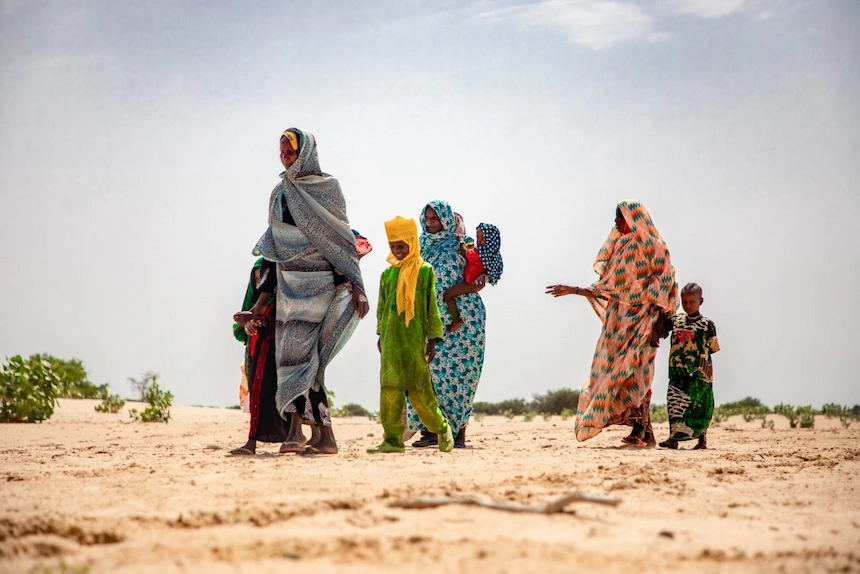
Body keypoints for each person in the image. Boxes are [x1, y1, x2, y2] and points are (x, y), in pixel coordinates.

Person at [252, 127, 369, 456]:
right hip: (289, 289)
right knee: (296, 362)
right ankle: (321, 437)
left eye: (290, 152)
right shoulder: (278, 193)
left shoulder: (327, 188)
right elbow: (276, 244)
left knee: (305, 362)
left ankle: (300, 434)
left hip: (320, 285)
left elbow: (341, 241)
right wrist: (262, 301)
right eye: (282, 153)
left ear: (305, 153)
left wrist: (356, 285)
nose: (285, 157)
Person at [546, 199, 678, 447]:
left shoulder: (657, 249)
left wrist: (661, 320)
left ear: (633, 219)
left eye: (620, 217)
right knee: (614, 373)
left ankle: (639, 428)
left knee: (639, 373)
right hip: (618, 325)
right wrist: (574, 290)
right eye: (617, 218)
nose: (616, 222)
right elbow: (608, 287)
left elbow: (668, 286)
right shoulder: (620, 247)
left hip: (645, 322)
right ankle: (646, 433)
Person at [368, 216, 453, 454]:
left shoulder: (425, 271)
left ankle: (441, 428)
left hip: (414, 341)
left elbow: (431, 307)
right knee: (390, 391)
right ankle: (393, 440)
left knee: (419, 391)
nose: (397, 250)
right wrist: (380, 334)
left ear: (413, 242)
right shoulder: (387, 274)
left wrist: (433, 339)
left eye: (402, 245)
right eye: (393, 246)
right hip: (391, 341)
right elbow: (382, 307)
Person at [407, 201, 486, 449]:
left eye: (435, 218)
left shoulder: (460, 244)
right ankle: (430, 431)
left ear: (446, 220)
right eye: (427, 218)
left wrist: (481, 279)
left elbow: (480, 269)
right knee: (428, 375)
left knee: (461, 377)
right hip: (430, 322)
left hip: (464, 322)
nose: (430, 222)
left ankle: (458, 434)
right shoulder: (419, 248)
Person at [650, 282, 720, 450]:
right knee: (674, 403)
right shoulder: (675, 321)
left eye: (692, 302)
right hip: (676, 370)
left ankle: (702, 440)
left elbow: (714, 348)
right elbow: (661, 330)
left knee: (698, 405)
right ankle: (673, 438)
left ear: (700, 301)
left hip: (699, 373)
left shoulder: (707, 325)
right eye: (685, 302)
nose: (688, 305)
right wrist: (655, 328)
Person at [229, 258, 288, 455]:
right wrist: (248, 323)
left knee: (276, 396)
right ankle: (251, 442)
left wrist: (260, 320)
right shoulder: (254, 304)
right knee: (257, 395)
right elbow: (242, 330)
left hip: (276, 353)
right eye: (256, 278)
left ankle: (286, 439)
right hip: (256, 351)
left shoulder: (282, 301)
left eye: (263, 278)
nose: (259, 282)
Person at [443, 223, 503, 333]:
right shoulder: (493, 256)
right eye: (478, 237)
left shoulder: (479, 253)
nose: (479, 241)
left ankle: (456, 319)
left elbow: (465, 253)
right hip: (472, 283)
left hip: (470, 284)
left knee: (447, 295)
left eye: (482, 238)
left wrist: (461, 240)